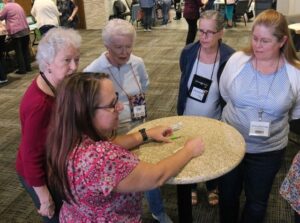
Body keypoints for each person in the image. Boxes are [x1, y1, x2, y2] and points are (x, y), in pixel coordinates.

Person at [46, 72, 205, 222]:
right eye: (112, 104)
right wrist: (189, 150)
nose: (120, 107)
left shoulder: (65, 137)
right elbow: (157, 176)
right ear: (85, 113)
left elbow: (111, 143)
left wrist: (146, 134)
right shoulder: (102, 158)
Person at [83, 18, 172, 223]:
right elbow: (88, 112)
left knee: (149, 168)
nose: (124, 52)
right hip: (113, 133)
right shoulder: (93, 71)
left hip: (139, 122)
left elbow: (145, 85)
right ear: (106, 46)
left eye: (129, 46)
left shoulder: (137, 62)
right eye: (118, 47)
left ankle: (157, 211)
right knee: (122, 178)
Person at [218, 9, 300, 223]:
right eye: (254, 38)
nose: (257, 45)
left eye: (265, 41)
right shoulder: (238, 60)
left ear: (282, 41)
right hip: (230, 143)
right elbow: (225, 93)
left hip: (268, 150)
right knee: (227, 197)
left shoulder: (295, 73)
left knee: (257, 202)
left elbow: (296, 111)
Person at [15, 27, 81, 223]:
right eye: (67, 60)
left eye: (76, 59)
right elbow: (30, 155)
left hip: (54, 164)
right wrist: (44, 198)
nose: (74, 67)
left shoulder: (56, 83)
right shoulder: (39, 106)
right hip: (38, 174)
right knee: (57, 218)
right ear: (47, 63)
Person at [177, 10, 235, 206]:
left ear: (221, 32)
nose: (203, 37)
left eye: (209, 32)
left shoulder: (229, 57)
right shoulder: (188, 52)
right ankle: (192, 186)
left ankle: (212, 186)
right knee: (188, 151)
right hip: (188, 116)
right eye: (201, 31)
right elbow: (184, 75)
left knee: (212, 151)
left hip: (214, 117)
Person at [0, 0, 31, 74]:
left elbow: (1, 17)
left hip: (16, 31)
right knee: (25, 50)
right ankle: (28, 67)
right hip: (25, 29)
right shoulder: (17, 5)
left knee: (18, 51)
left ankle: (22, 69)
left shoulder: (7, 7)